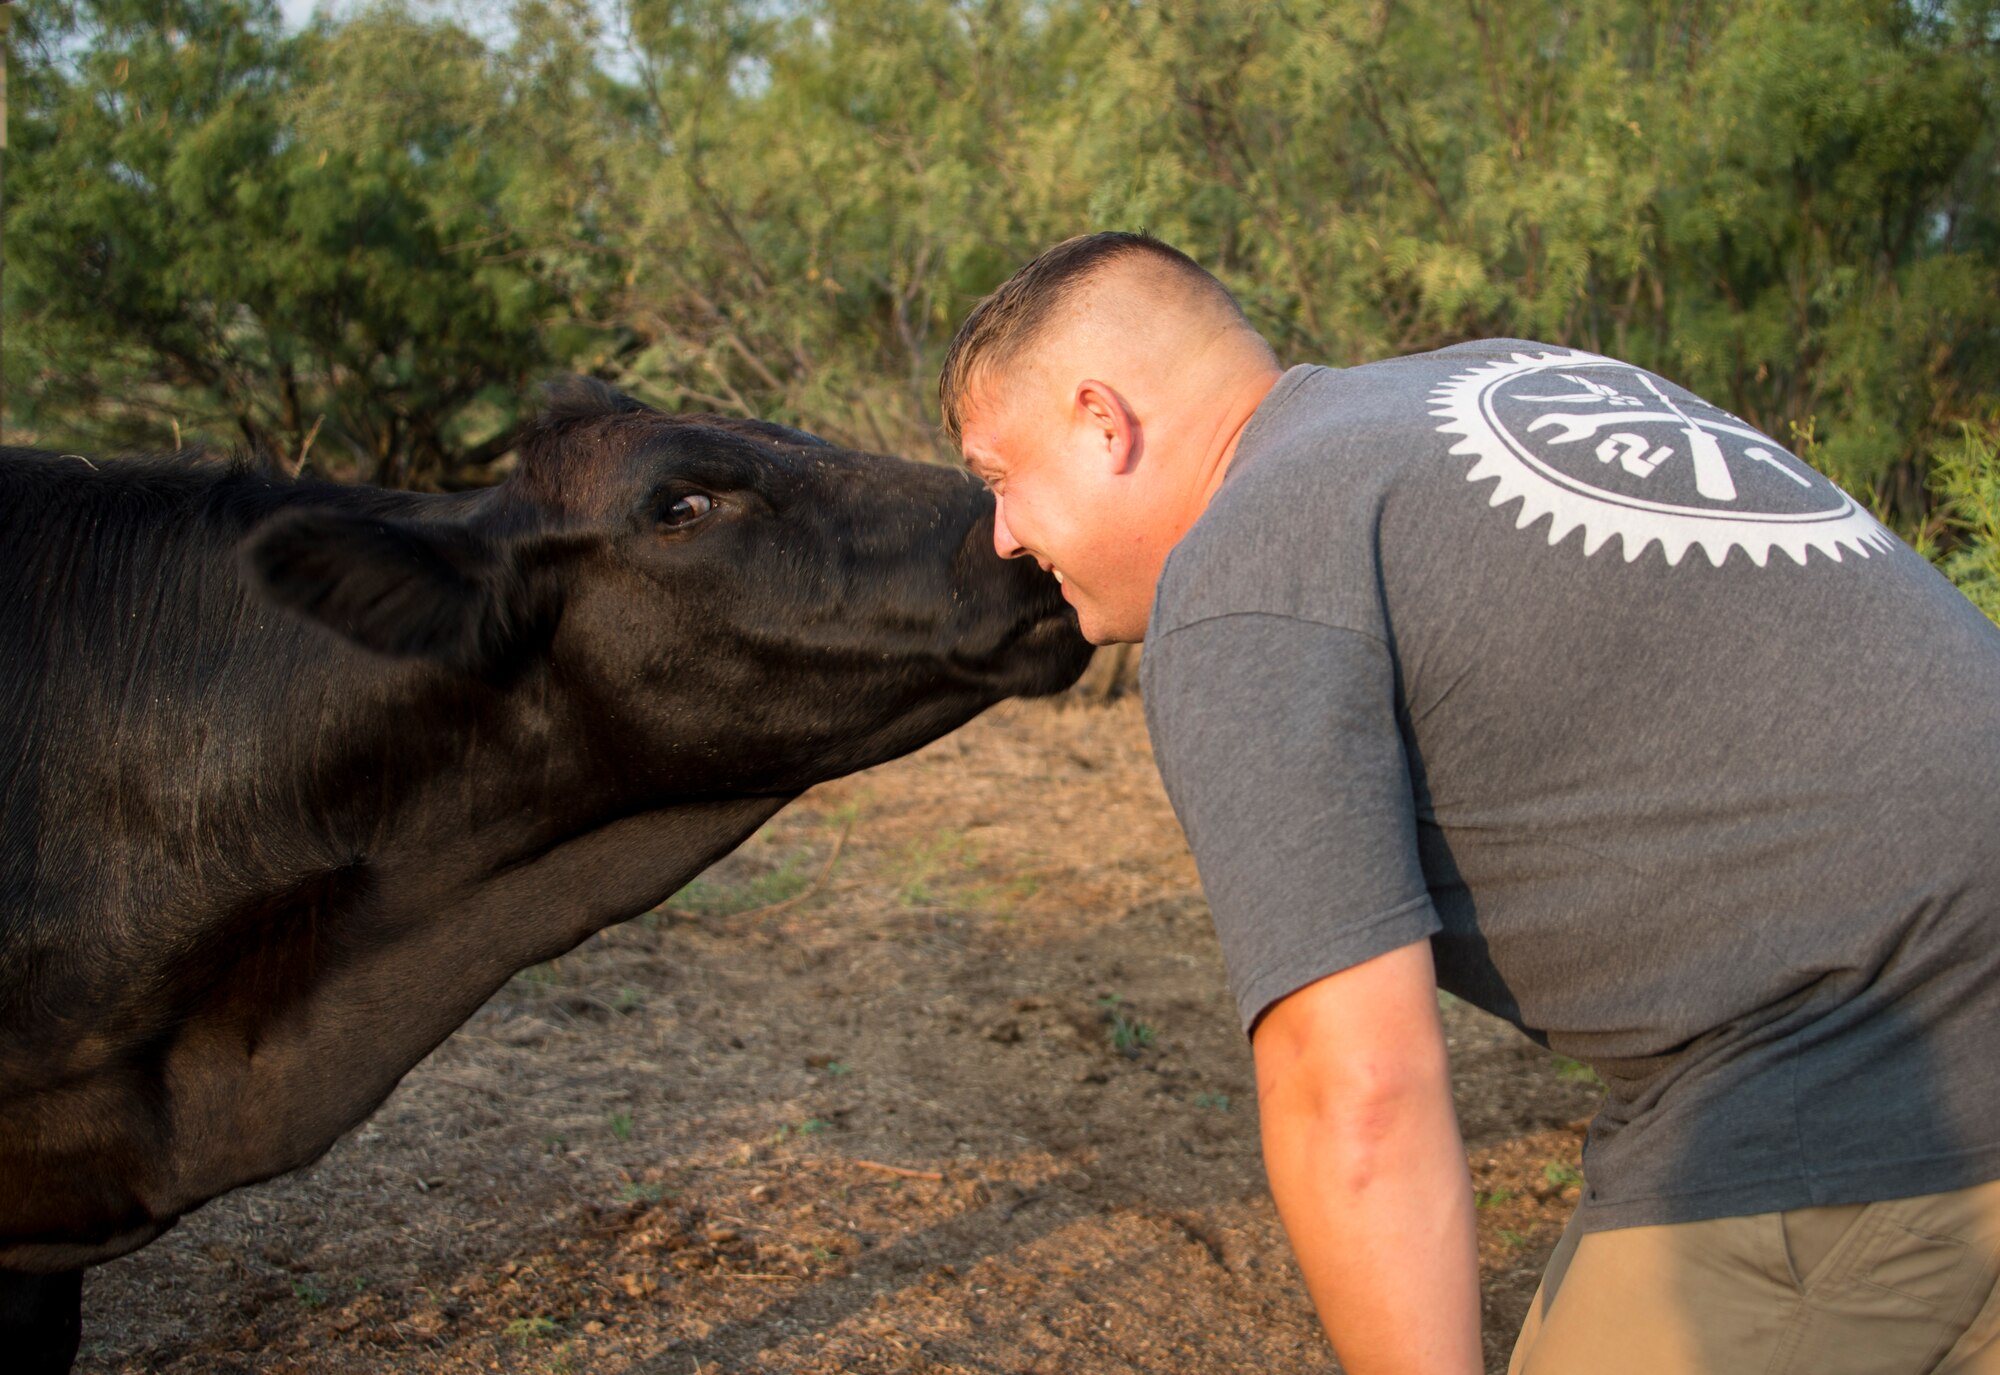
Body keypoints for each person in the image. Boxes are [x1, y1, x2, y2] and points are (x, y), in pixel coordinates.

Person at [937, 230, 2000, 1375]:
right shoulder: (1511, 375)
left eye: (1000, 477)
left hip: (1870, 1072)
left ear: (1104, 420)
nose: (1000, 534)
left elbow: (1353, 1091)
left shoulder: (1244, 572)